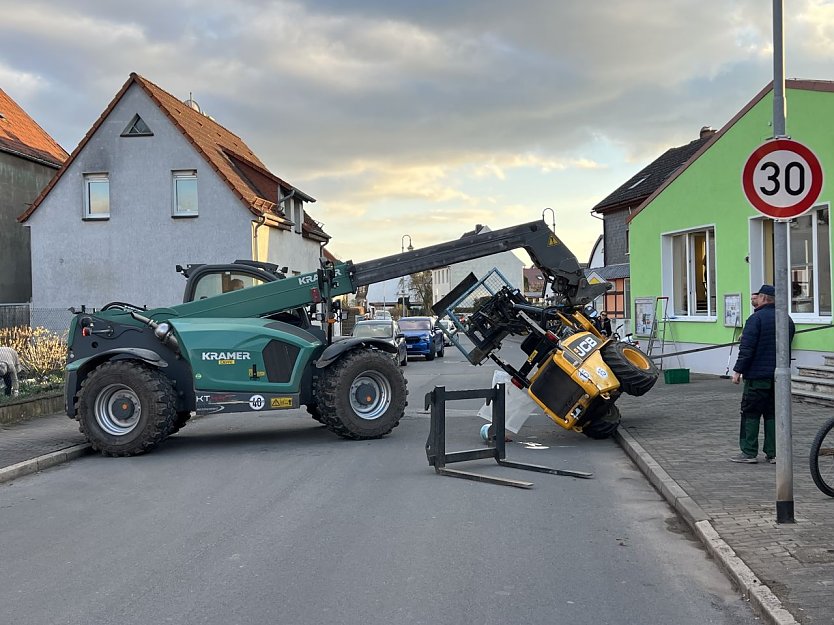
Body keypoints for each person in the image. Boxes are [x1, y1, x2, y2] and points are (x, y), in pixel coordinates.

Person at [730, 284, 795, 464]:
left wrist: (738, 371)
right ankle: (774, 453)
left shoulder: (755, 320)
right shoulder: (786, 320)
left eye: (757, 296)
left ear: (765, 298)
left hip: (757, 377)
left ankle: (749, 452)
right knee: (773, 414)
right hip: (778, 378)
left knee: (750, 413)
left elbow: (747, 349)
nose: (754, 299)